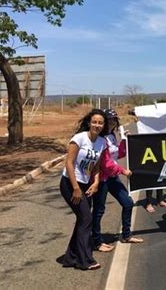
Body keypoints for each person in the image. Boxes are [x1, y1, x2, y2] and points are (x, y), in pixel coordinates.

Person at [57, 109, 107, 271]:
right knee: (86, 219)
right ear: (88, 122)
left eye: (100, 123)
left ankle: (70, 257)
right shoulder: (79, 138)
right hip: (70, 184)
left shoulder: (101, 142)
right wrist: (76, 188)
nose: (97, 125)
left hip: (86, 184)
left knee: (83, 219)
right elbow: (69, 163)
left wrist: (96, 182)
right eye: (94, 122)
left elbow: (96, 166)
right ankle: (84, 260)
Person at [92, 109, 143, 250]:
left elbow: (119, 154)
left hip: (112, 178)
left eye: (114, 120)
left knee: (127, 203)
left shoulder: (112, 136)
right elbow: (106, 164)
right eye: (109, 120)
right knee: (99, 210)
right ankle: (96, 241)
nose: (112, 122)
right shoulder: (100, 139)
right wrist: (123, 171)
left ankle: (126, 235)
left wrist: (125, 140)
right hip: (101, 179)